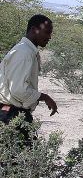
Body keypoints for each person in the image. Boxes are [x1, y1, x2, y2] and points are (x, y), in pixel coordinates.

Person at [0, 14, 58, 144]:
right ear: (33, 30)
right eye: (47, 32)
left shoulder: (26, 51)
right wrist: (45, 97)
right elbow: (18, 90)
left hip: (13, 114)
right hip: (11, 115)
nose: (49, 37)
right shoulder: (24, 52)